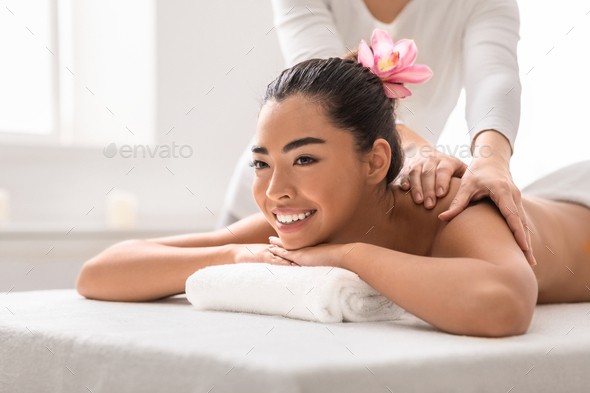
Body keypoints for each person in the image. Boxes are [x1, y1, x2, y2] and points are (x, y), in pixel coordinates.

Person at [76, 37, 590, 339]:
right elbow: (100, 273)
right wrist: (233, 256)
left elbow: (507, 304)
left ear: (375, 163)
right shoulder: (298, 219)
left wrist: (350, 257)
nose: (276, 189)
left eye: (305, 158)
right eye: (261, 163)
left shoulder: (445, 201)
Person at [217, 0, 537, 266]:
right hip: (271, 201)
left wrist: (492, 161)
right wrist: (417, 151)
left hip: (378, 190)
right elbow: (323, 104)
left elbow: (494, 77)